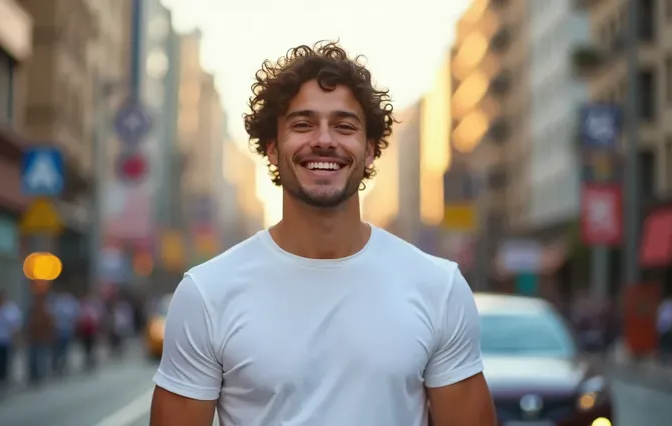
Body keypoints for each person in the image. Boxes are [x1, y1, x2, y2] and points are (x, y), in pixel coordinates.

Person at [150, 41, 495, 426]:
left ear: (369, 151)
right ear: (272, 149)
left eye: (344, 126)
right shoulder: (206, 293)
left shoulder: (439, 287)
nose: (325, 140)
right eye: (302, 124)